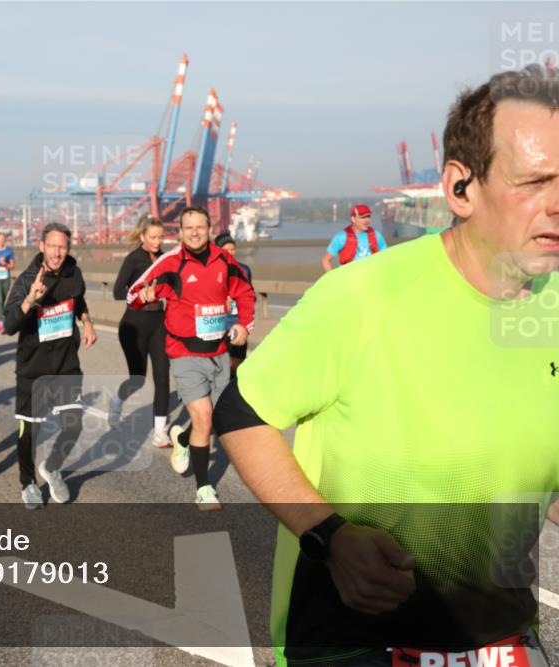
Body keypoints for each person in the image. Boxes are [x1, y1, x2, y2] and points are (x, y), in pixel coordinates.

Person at [212, 65, 558, 666]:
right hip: (354, 641)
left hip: (500, 638)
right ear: (461, 188)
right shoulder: (361, 297)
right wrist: (328, 536)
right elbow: (241, 413)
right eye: (534, 182)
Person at [127, 206, 255, 511]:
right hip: (185, 353)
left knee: (216, 419)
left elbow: (245, 293)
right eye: (189, 228)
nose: (195, 232)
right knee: (204, 416)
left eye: (200, 226)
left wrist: (244, 325)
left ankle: (183, 439)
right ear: (181, 232)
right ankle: (203, 489)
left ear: (209, 228)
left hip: (218, 352)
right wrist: (143, 297)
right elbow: (133, 293)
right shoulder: (170, 262)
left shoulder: (224, 260)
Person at [3, 223, 97, 509]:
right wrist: (30, 300)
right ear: (41, 246)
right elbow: (9, 324)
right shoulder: (27, 279)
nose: (57, 253)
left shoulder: (73, 272)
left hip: (66, 364)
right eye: (52, 246)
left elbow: (78, 300)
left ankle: (52, 467)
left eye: (62, 247)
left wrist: (87, 322)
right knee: (30, 433)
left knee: (73, 426)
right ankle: (28, 482)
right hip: (34, 368)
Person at [110, 215, 171, 448]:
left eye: (160, 237)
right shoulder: (133, 259)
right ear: (143, 236)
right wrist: (139, 294)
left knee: (162, 376)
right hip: (134, 324)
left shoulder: (165, 259)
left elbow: (174, 286)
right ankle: (117, 400)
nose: (157, 241)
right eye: (152, 237)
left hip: (159, 323)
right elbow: (117, 291)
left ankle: (160, 431)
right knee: (138, 378)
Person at [215, 233, 254, 378]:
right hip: (219, 324)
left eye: (233, 249)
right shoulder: (212, 271)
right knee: (221, 366)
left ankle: (234, 388)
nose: (230, 252)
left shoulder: (244, 270)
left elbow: (249, 295)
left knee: (237, 364)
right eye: (226, 249)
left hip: (238, 323)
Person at [322, 204, 388, 271]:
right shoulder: (342, 237)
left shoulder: (376, 235)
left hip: (371, 275)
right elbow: (326, 260)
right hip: (349, 276)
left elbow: (386, 257)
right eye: (362, 217)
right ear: (353, 219)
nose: (366, 220)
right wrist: (334, 277)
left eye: (368, 216)